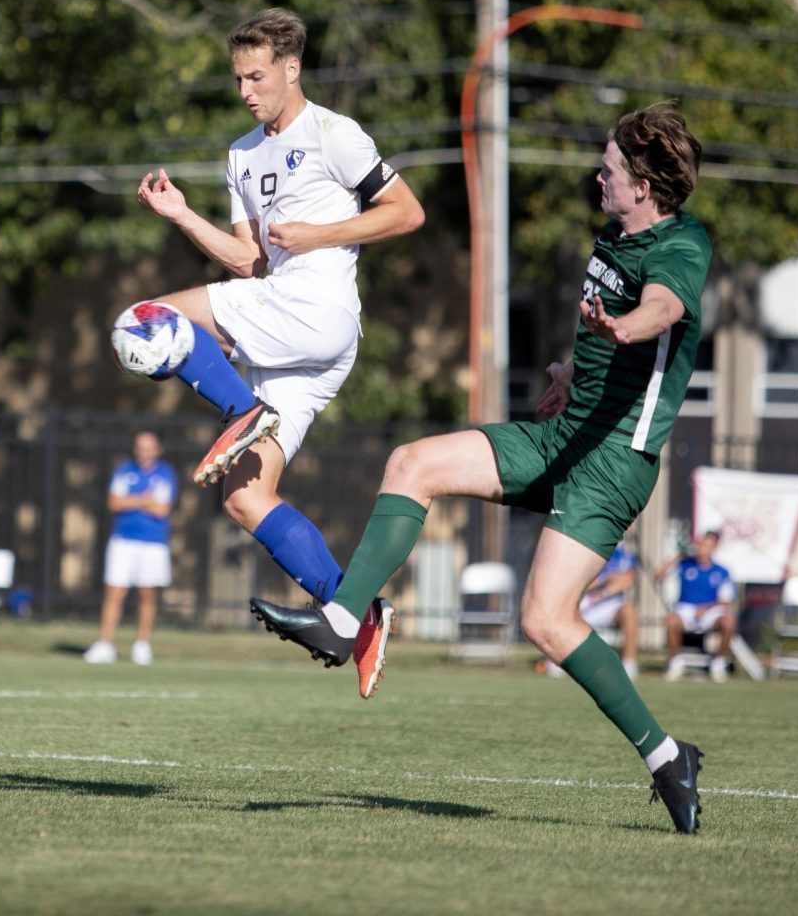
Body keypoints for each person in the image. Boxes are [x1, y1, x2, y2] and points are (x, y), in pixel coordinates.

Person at [250, 103, 713, 835]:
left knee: (545, 621)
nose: (599, 175)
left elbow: (661, 309)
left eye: (611, 169)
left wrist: (623, 327)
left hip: (612, 464)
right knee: (412, 463)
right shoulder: (611, 234)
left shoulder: (681, 246)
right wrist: (570, 366)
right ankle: (343, 622)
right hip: (565, 432)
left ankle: (666, 756)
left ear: (646, 185)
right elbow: (608, 347)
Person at [114, 7, 424, 698]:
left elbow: (407, 212)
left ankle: (239, 408)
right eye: (238, 78)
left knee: (142, 320)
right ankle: (357, 613)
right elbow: (249, 262)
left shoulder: (333, 134)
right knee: (245, 498)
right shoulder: (240, 154)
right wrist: (182, 216)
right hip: (293, 334)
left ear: (292, 69)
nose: (247, 90)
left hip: (315, 313)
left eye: (258, 76)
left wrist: (321, 234)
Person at [84, 430, 178, 665]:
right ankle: (106, 643)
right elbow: (114, 503)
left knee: (147, 594)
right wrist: (145, 499)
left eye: (149, 447)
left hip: (153, 543)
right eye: (140, 447)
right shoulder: (124, 470)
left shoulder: (166, 474)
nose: (144, 452)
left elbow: (162, 509)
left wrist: (132, 501)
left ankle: (142, 644)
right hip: (122, 540)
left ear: (157, 449)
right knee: (114, 592)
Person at [542, 541, 641, 680]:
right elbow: (574, 582)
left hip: (609, 604)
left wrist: (602, 593)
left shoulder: (624, 552)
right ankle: (559, 660)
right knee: (559, 613)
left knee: (630, 611)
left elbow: (628, 579)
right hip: (582, 602)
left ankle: (629, 663)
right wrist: (604, 580)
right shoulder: (584, 548)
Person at [656, 530, 737, 682]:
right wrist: (678, 555)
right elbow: (658, 576)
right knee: (671, 620)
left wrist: (705, 609)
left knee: (728, 623)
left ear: (714, 547)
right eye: (701, 544)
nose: (702, 548)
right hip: (686, 609)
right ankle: (676, 664)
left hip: (709, 612)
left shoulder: (722, 571)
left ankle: (718, 665)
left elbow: (727, 600)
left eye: (707, 545)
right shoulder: (684, 564)